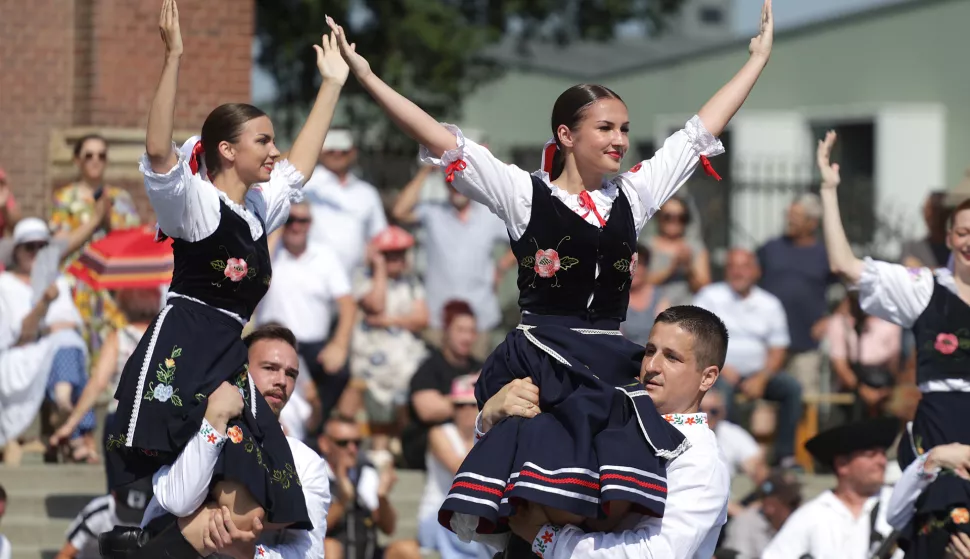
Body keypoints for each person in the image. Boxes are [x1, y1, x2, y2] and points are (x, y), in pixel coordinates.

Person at [326, 0, 771, 540]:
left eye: (625, 129)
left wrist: (756, 61)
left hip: (607, 358)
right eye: (605, 128)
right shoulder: (524, 193)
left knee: (604, 502)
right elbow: (442, 141)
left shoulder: (633, 194)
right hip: (546, 360)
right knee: (536, 500)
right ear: (565, 135)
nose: (620, 140)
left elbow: (698, 132)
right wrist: (369, 77)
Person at [101, 1, 347, 554]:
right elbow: (159, 152)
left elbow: (299, 171)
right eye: (263, 141)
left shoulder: (257, 212)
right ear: (227, 150)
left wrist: (331, 84)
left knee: (252, 495)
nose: (275, 150)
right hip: (185, 346)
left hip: (227, 353)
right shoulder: (196, 206)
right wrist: (174, 57)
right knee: (176, 488)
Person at [818, 130, 970, 558]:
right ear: (949, 236)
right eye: (962, 232)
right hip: (940, 421)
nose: (969, 241)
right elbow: (845, 266)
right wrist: (829, 192)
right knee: (935, 528)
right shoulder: (925, 288)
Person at [486, 306, 731, 558]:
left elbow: (655, 553)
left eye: (672, 357)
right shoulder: (612, 415)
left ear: (708, 377)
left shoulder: (701, 459)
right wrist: (490, 420)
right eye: (649, 351)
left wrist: (545, 538)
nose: (652, 365)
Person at [100, 324, 331, 559]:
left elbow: (309, 554)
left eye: (291, 374)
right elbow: (176, 502)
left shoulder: (305, 462)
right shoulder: (192, 428)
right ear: (241, 370)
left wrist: (250, 554)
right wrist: (216, 419)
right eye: (270, 368)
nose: (281, 380)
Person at [693, 247, 801, 467]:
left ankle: (785, 456)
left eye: (744, 267)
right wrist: (720, 366)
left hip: (759, 372)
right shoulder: (709, 297)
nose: (738, 272)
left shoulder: (770, 304)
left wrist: (763, 377)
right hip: (718, 369)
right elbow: (696, 338)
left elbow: (778, 348)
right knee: (722, 391)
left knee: (792, 389)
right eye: (733, 266)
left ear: (757, 271)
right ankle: (731, 456)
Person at [256, 200, 356, 424]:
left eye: (303, 220)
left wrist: (339, 344)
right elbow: (254, 272)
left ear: (310, 224)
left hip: (312, 348)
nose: (296, 226)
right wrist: (274, 233)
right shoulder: (269, 252)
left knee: (340, 371)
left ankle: (315, 430)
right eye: (290, 220)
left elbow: (348, 304)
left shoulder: (325, 256)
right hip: (271, 341)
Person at [50, 287, 161, 475]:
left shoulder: (119, 337)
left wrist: (70, 425)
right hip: (159, 422)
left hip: (121, 419)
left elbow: (98, 383)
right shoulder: (166, 336)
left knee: (119, 488)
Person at [50, 134, 143, 356]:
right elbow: (58, 248)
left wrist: (108, 220)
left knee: (111, 349)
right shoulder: (65, 198)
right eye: (89, 155)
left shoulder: (121, 199)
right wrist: (94, 220)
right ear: (77, 161)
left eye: (101, 155)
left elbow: (132, 248)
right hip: (77, 286)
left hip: (110, 289)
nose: (95, 160)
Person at [761, 417, 902, 559]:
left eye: (883, 454)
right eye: (871, 455)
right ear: (842, 464)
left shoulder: (901, 506)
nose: (882, 461)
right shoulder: (813, 514)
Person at [346, 225, 429, 454]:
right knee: (376, 415)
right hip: (372, 365)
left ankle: (400, 454)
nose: (398, 259)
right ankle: (378, 459)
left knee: (403, 412)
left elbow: (422, 318)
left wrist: (389, 320)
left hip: (405, 362)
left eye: (401, 253)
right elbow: (376, 304)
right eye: (390, 254)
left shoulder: (412, 282)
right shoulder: (363, 277)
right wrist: (379, 268)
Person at [417, 374, 491, 559]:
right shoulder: (439, 433)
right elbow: (463, 471)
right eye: (459, 405)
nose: (466, 410)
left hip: (471, 516)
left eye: (472, 404)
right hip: (438, 516)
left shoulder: (489, 436)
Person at [55, 477, 153, 559]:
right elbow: (66, 554)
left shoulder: (152, 518)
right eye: (126, 510)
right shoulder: (99, 514)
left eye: (136, 514)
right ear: (114, 495)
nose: (130, 519)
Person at [721, 469, 801, 559]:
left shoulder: (798, 524)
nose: (798, 507)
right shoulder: (746, 524)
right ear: (770, 505)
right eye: (792, 503)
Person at [645, 197, 711, 306]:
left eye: (681, 217)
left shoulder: (695, 248)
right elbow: (639, 284)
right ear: (659, 218)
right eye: (668, 217)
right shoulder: (646, 247)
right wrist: (672, 268)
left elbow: (705, 289)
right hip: (652, 312)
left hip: (686, 312)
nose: (674, 222)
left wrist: (688, 269)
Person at [620, 244, 670, 346]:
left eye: (638, 264)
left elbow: (666, 333)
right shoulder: (615, 298)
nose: (633, 269)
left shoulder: (660, 297)